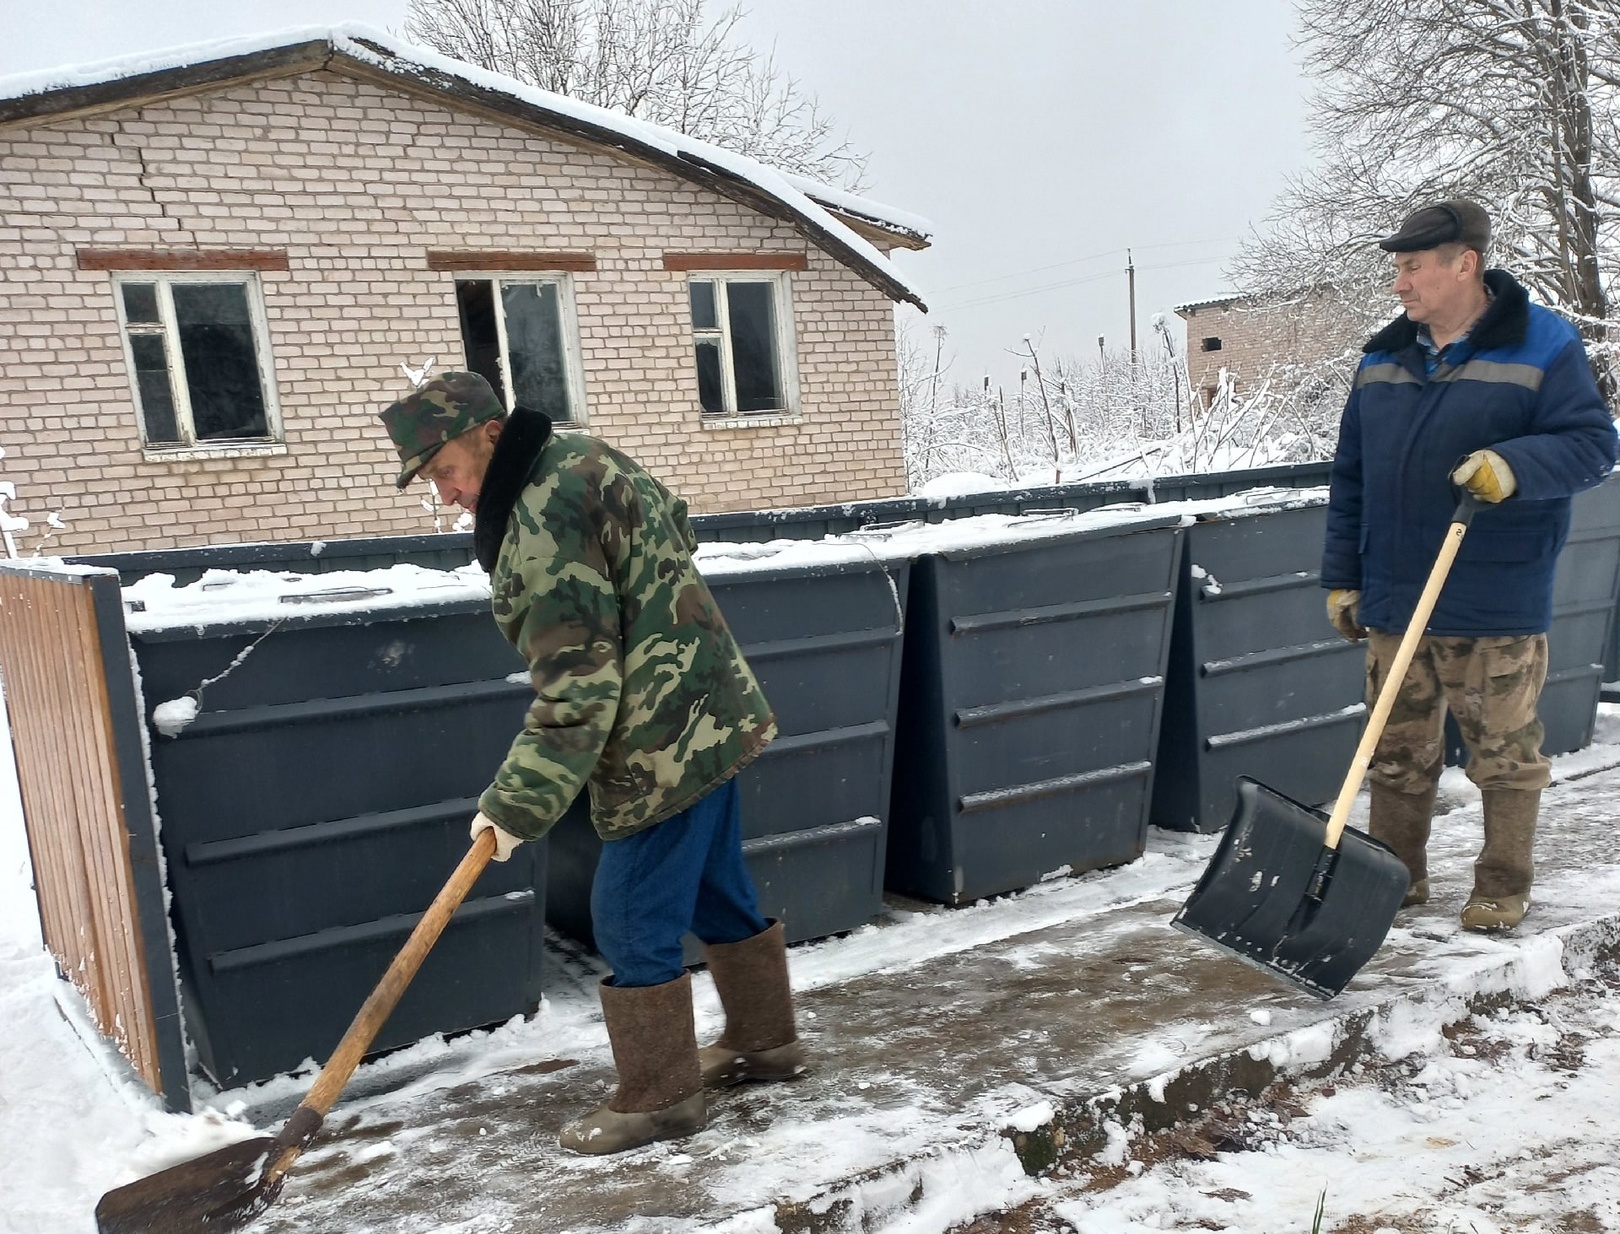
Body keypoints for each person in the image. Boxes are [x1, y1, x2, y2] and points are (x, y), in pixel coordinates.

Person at [377, 371, 805, 1154]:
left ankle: (661, 1096)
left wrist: (512, 807)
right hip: (714, 702)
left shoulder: (539, 524)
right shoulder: (581, 454)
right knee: (712, 886)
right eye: (432, 480)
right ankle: (765, 1040)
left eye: (446, 471)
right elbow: (674, 522)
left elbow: (579, 693)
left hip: (660, 739)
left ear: (492, 438)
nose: (446, 495)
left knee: (630, 912)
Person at [1322, 199, 1617, 932]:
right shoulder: (1381, 359)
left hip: (1494, 591)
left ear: (1465, 265)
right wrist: (1342, 576)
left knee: (1504, 754)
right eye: (1398, 268)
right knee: (1395, 751)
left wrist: (1513, 465)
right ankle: (1395, 876)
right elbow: (1351, 476)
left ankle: (1502, 883)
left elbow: (1592, 444)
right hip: (1394, 590)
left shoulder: (1542, 346)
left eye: (1414, 267)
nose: (1401, 284)